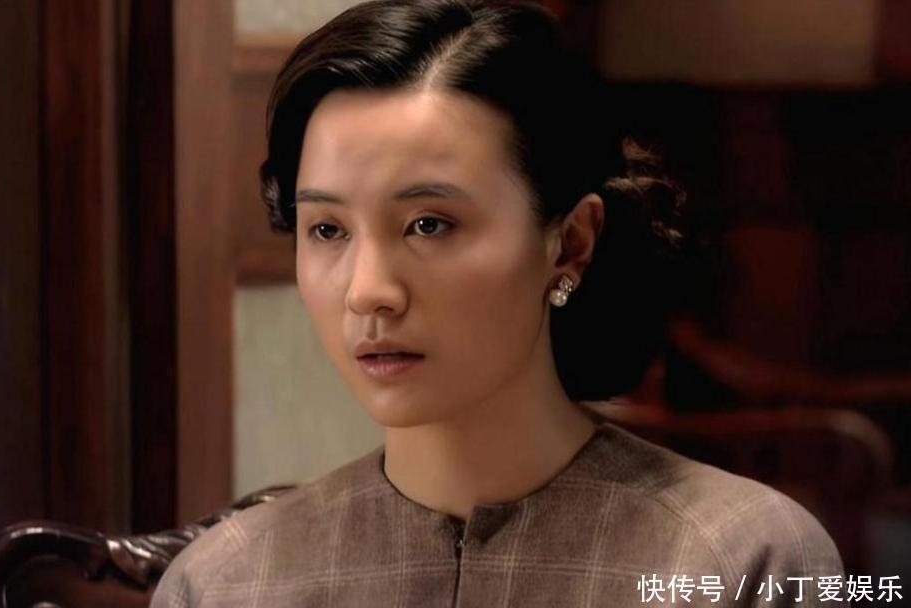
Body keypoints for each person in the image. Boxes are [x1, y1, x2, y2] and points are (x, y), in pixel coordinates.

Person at [150, 1, 847, 606]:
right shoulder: (227, 584)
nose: (367, 291)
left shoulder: (742, 560)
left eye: (429, 225)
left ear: (570, 242)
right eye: (328, 230)